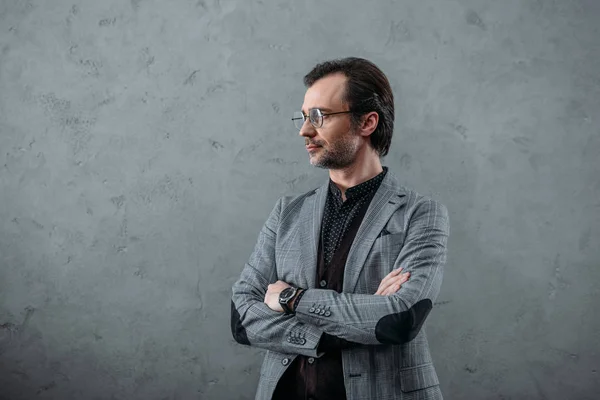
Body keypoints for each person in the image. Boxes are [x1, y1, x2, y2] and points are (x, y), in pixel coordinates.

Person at [231, 57, 450, 400]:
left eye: (319, 116)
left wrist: (290, 298)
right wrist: (358, 318)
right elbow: (242, 318)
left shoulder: (421, 214)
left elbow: (399, 319)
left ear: (367, 122)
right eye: (303, 117)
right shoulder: (287, 213)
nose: (305, 130)